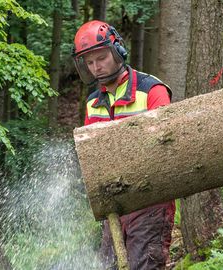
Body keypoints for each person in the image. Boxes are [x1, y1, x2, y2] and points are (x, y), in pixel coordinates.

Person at [72, 20, 175, 269]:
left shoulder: (151, 91)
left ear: (117, 50)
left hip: (151, 201)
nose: (96, 67)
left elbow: (167, 146)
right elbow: (92, 157)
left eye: (101, 58)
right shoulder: (93, 103)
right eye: (90, 62)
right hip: (115, 206)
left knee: (144, 264)